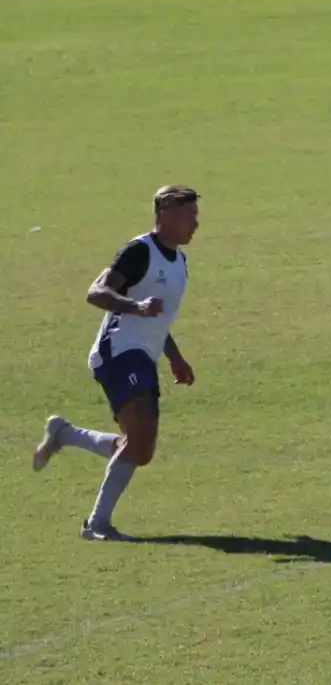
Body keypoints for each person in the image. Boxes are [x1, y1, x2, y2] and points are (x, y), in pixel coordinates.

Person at [31, 185, 200, 541]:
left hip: (144, 355)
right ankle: (97, 525)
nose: (196, 223)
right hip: (119, 351)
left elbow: (158, 318)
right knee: (138, 443)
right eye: (189, 216)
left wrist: (174, 356)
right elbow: (97, 293)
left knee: (140, 450)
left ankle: (66, 434)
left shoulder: (180, 262)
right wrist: (134, 307)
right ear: (165, 216)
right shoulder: (139, 251)